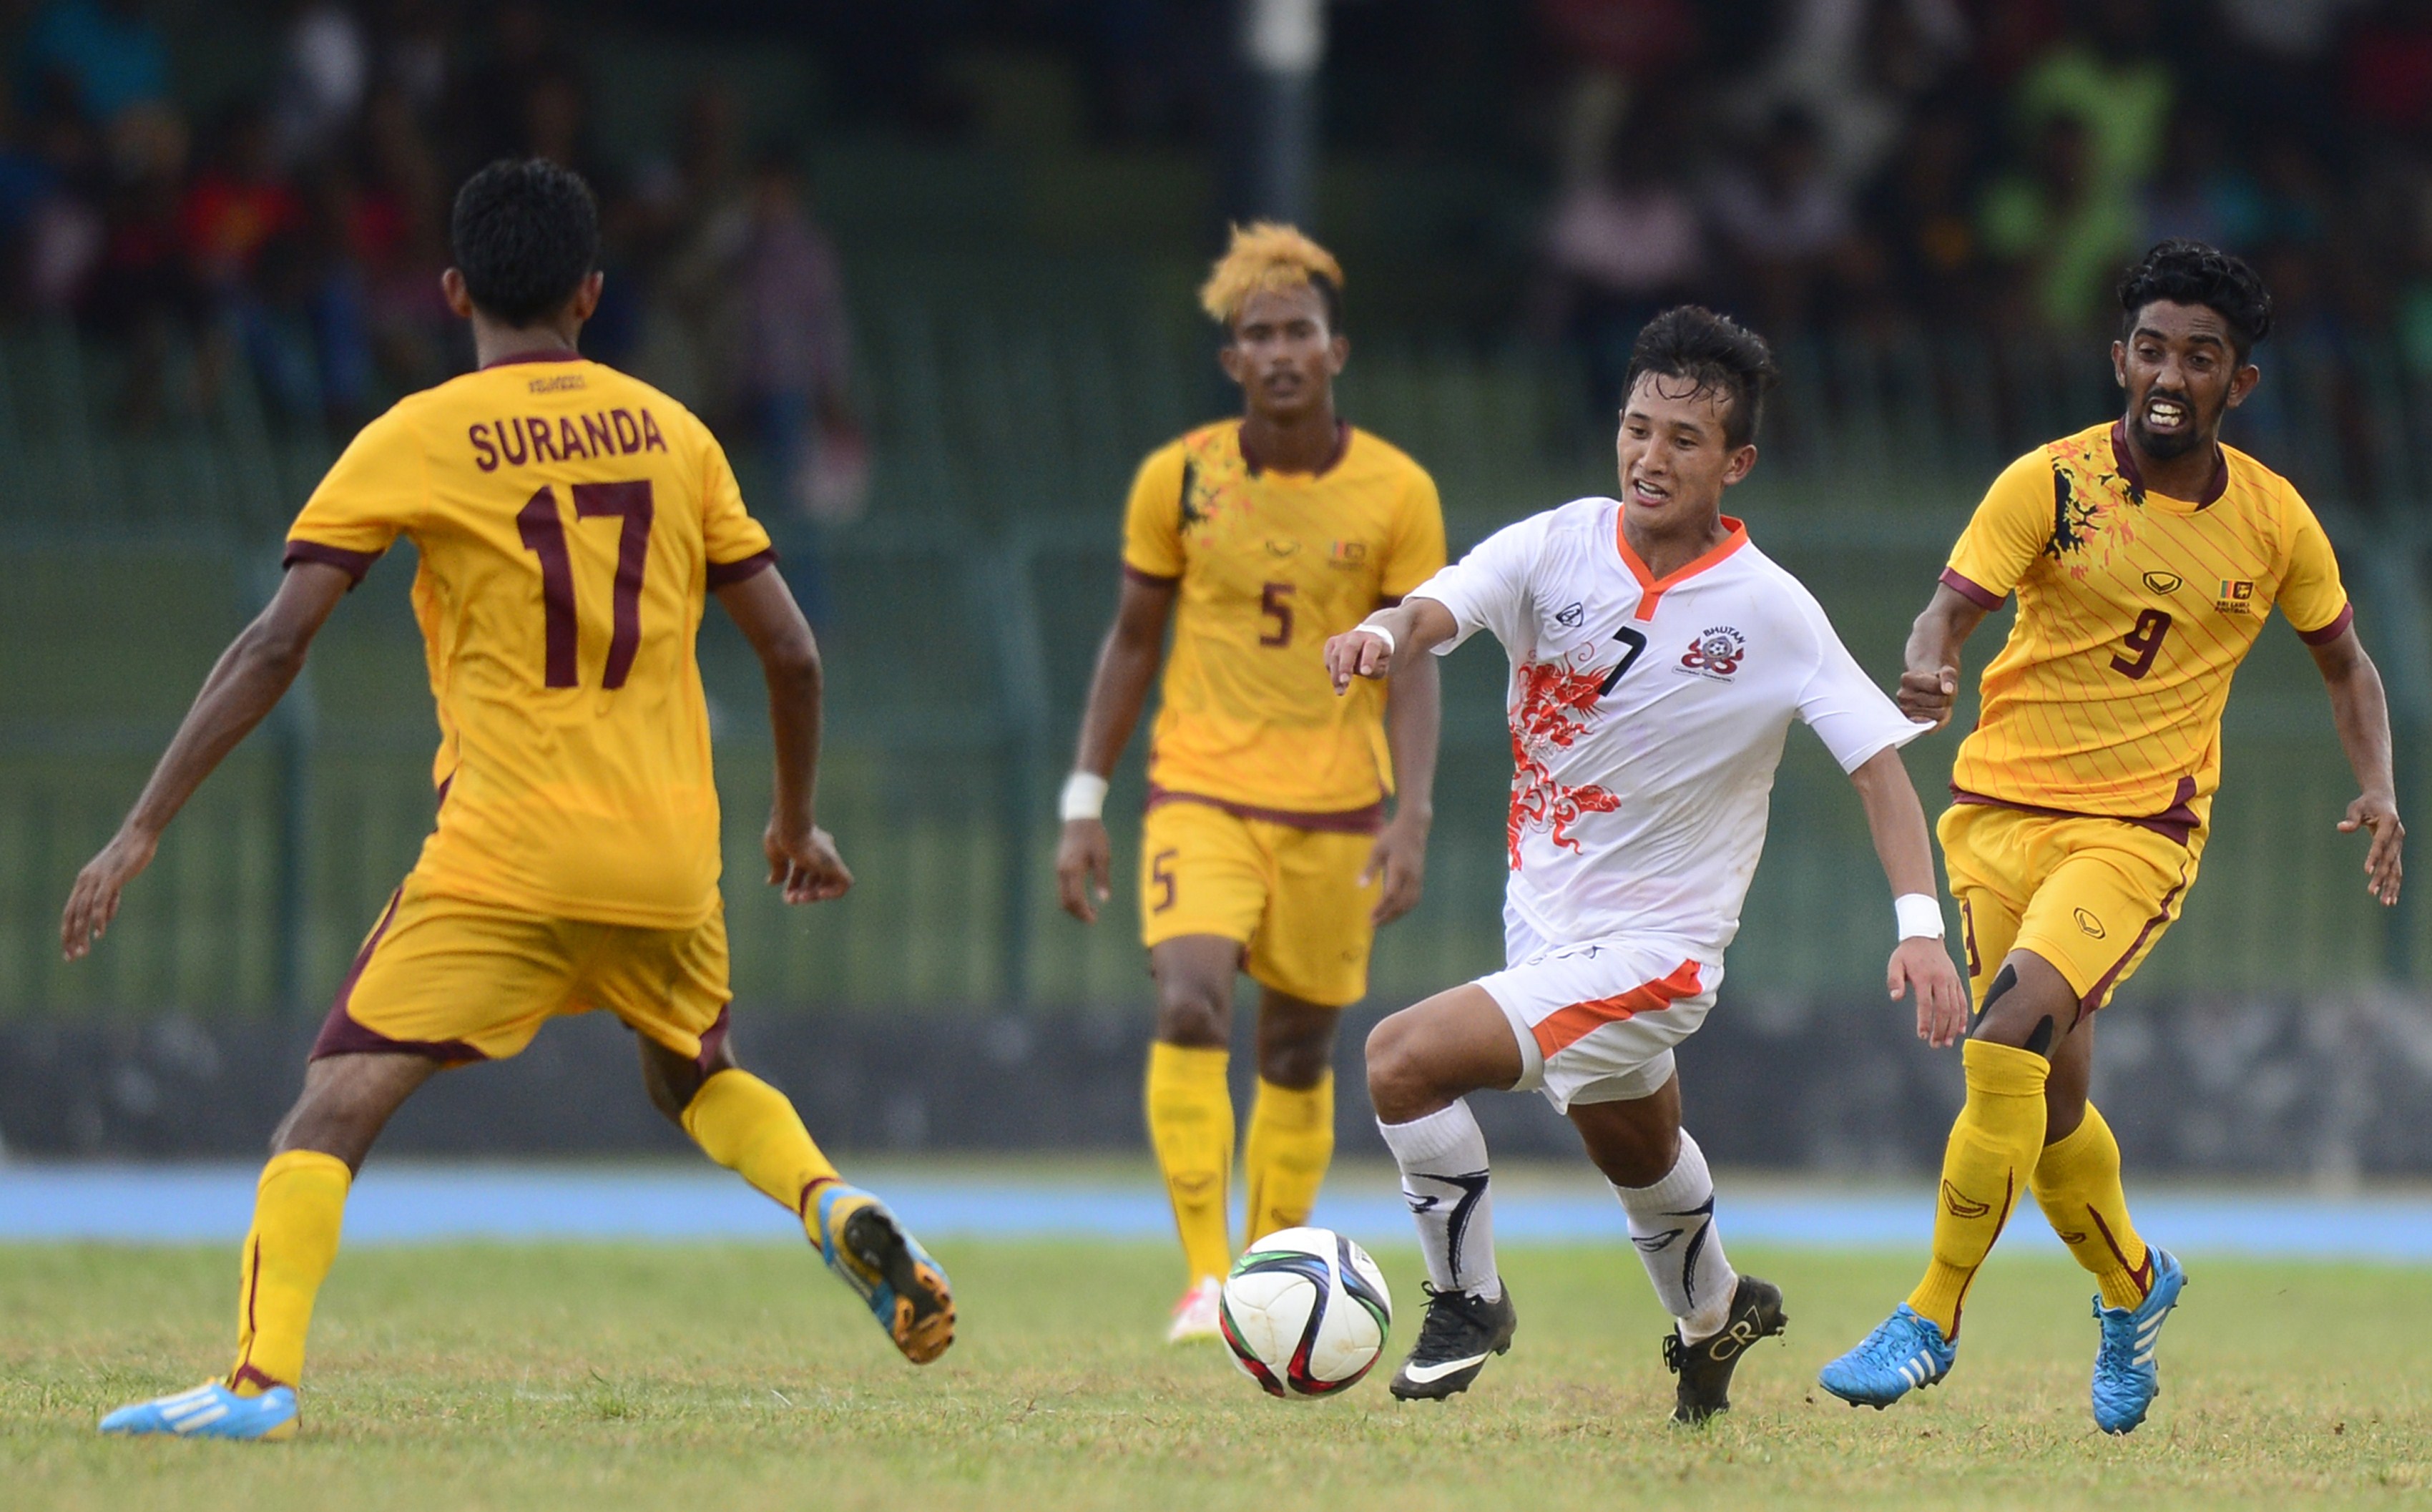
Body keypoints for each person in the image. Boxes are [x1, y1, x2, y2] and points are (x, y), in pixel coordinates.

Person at [67, 158, 954, 1443]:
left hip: (508, 853)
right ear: (593, 293)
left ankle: (259, 1381)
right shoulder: (675, 432)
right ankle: (828, 1205)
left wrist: (142, 823)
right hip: (664, 852)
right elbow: (795, 652)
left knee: (332, 1106)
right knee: (696, 1072)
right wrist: (793, 822)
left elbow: (275, 644)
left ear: (450, 289)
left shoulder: (417, 435)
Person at [1330, 306, 1968, 1423]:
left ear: (1738, 461)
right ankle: (1719, 1308)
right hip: (1545, 924)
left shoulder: (1774, 611)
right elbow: (1443, 603)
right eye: (1637, 428)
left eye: (1683, 438)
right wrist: (1387, 632)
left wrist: (1921, 926)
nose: (1650, 456)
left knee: (1399, 1060)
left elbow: (1878, 770)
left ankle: (1466, 1298)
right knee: (1637, 1150)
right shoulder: (1559, 541)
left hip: (1659, 953)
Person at [1820, 240, 2404, 1433]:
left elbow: (2347, 665)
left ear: (2238, 382)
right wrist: (1928, 660)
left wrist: (2382, 788)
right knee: (2050, 1112)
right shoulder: (2049, 481)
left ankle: (1929, 1317)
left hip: (2136, 835)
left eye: (2202, 355)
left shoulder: (2276, 523)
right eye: (2152, 349)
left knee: (2001, 1049)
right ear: (2120, 359)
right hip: (1992, 821)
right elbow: (1949, 609)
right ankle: (2136, 1285)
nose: (2171, 373)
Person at [1055, 223, 1446, 1342]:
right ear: (1231, 362)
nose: (1279, 351)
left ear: (1337, 351)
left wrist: (1412, 814)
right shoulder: (1176, 478)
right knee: (1187, 999)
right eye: (1256, 335)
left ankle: (1270, 1277)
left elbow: (1415, 663)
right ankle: (1202, 1275)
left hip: (1336, 807)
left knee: (1295, 1047)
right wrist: (1085, 798)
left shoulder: (1396, 491)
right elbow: (1132, 642)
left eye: (1299, 332)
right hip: (1201, 791)